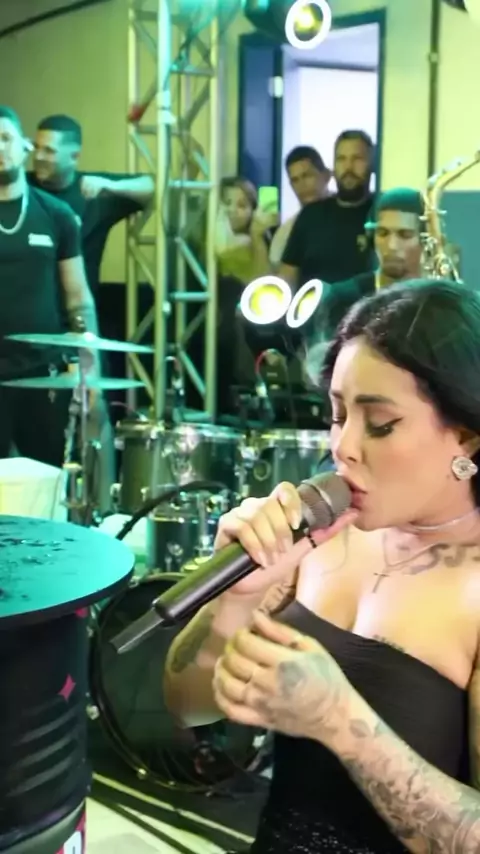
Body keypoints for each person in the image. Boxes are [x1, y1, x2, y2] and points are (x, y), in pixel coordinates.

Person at [164, 278, 480, 852]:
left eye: (379, 423)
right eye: (337, 415)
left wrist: (341, 722)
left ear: (466, 436)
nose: (343, 447)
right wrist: (234, 599)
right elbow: (188, 706)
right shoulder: (324, 532)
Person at [0, 106, 99, 466]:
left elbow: (78, 298)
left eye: (5, 138)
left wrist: (89, 369)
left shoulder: (56, 214)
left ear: (24, 145)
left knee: (46, 482)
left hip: (42, 375)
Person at [29, 114, 154, 295]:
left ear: (74, 156)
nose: (38, 156)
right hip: (23, 305)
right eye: (36, 147)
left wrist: (112, 186)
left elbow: (155, 187)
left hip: (76, 305)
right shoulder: (19, 187)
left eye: (49, 151)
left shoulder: (94, 192)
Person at [313, 186, 425, 341]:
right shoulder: (344, 298)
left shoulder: (440, 301)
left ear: (425, 241)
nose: (392, 245)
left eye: (404, 235)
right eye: (383, 233)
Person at [279, 130, 375, 287]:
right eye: (341, 159)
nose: (348, 167)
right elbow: (287, 277)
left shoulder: (382, 213)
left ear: (372, 164)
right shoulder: (310, 216)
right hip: (312, 302)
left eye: (357, 159)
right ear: (334, 166)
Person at [270, 146, 331, 270]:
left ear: (326, 176)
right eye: (295, 180)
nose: (302, 185)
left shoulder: (347, 214)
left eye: (307, 176)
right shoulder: (286, 232)